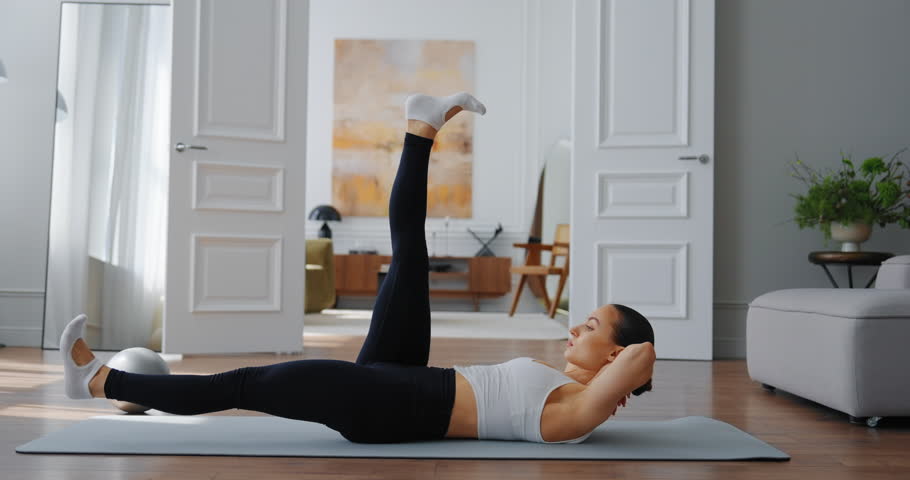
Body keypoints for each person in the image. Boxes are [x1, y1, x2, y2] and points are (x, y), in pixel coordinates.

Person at [60, 92, 656, 444]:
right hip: (403, 377)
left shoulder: (579, 412)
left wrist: (622, 367)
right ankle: (420, 128)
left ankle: (101, 382)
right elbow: (628, 356)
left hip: (387, 405)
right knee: (412, 254)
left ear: (611, 355)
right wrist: (611, 360)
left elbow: (642, 354)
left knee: (245, 385)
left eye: (593, 327)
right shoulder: (572, 392)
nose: (576, 327)